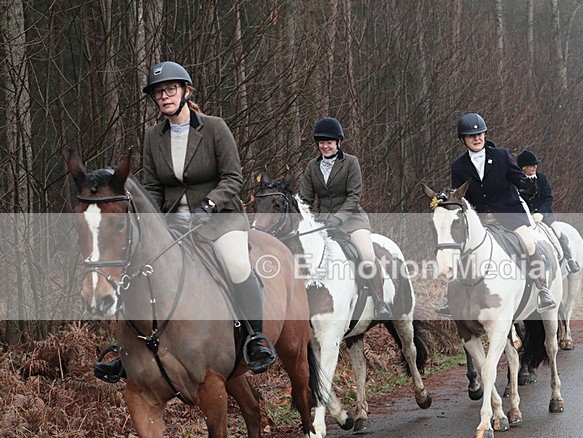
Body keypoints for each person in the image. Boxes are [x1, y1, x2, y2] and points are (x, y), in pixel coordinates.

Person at [93, 61, 276, 383]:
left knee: (235, 265)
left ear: (186, 91)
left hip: (220, 219)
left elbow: (233, 176)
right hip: (174, 223)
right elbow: (152, 186)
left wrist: (210, 202)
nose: (163, 96)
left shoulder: (215, 128)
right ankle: (128, 353)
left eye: (169, 90)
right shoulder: (153, 137)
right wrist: (152, 221)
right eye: (158, 93)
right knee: (138, 270)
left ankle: (255, 338)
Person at [440, 113, 556, 316]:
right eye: (471, 136)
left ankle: (542, 289)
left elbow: (517, 178)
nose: (476, 138)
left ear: (485, 135)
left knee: (528, 243)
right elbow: (458, 194)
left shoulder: (501, 156)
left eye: (480, 134)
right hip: (480, 220)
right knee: (459, 251)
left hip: (508, 214)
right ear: (463, 139)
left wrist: (526, 185)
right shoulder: (458, 166)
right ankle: (452, 299)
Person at [298, 117, 392, 321]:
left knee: (367, 255)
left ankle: (380, 301)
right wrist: (309, 220)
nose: (325, 146)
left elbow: (354, 196)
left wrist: (339, 218)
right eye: (322, 143)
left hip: (352, 220)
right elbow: (305, 198)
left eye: (329, 142)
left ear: (338, 142)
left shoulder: (350, 162)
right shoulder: (312, 167)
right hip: (323, 224)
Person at [515, 150, 580, 273]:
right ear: (523, 168)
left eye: (535, 165)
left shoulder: (541, 178)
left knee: (558, 233)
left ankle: (570, 260)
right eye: (531, 165)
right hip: (526, 217)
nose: (535, 167)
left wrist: (540, 213)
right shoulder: (517, 181)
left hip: (544, 215)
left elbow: (548, 197)